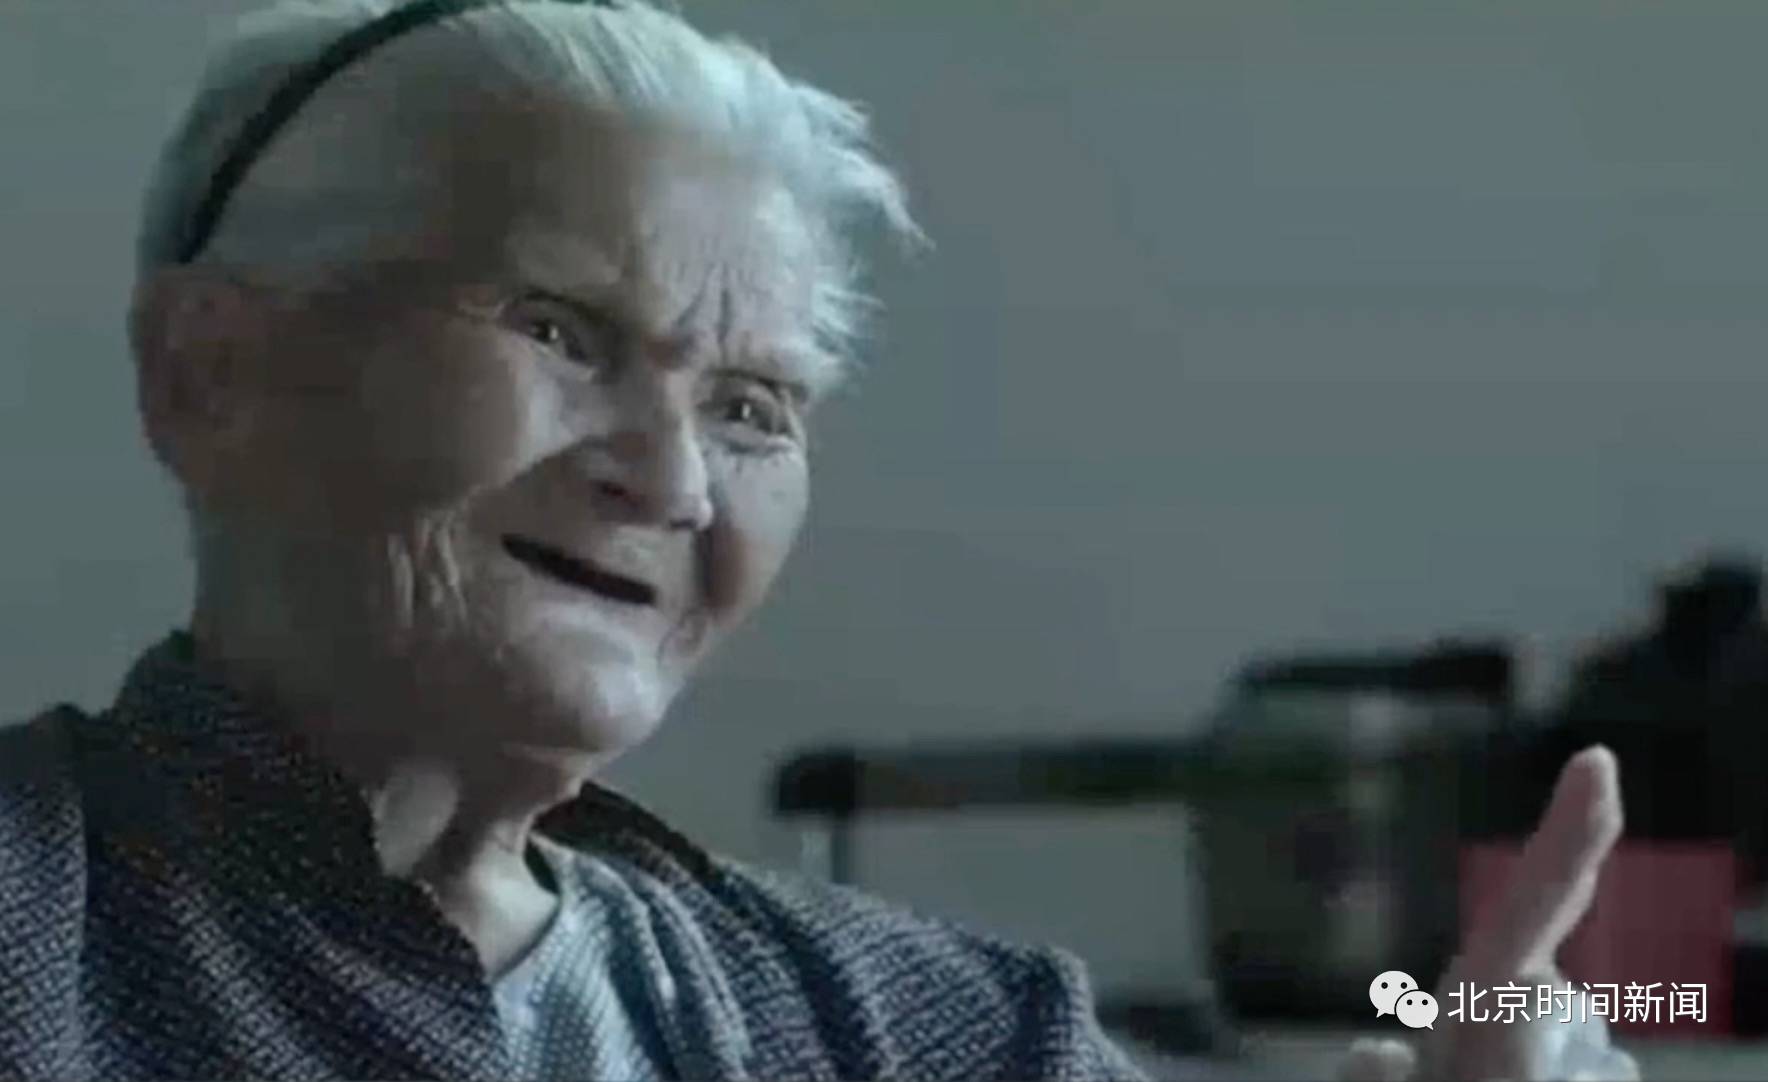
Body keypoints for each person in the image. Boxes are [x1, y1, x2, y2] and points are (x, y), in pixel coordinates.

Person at [0, 1, 1639, 1078]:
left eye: (754, 407)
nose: (674, 480)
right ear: (212, 373)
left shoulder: (942, 1033)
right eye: (560, 331)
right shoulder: (35, 926)